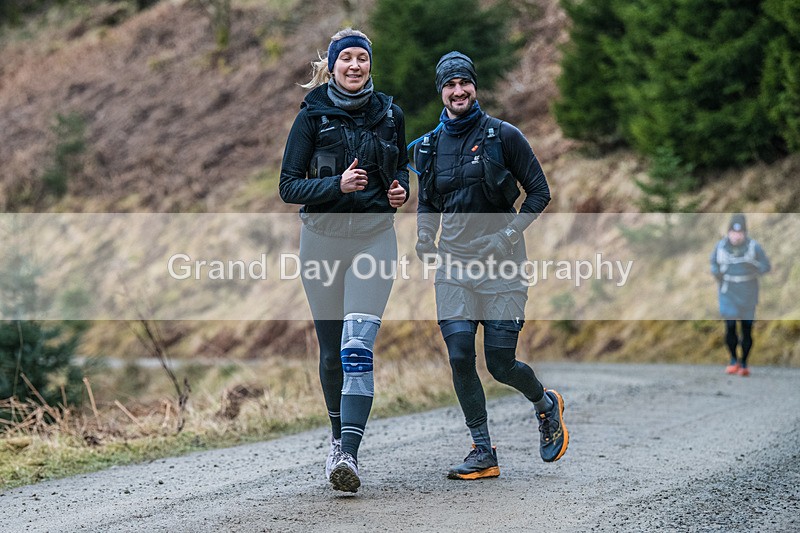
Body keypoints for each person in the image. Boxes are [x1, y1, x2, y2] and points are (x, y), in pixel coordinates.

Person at [413, 51, 567, 480]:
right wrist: (425, 236)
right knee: (461, 355)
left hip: (503, 269)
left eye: (464, 83)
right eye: (449, 85)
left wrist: (505, 236)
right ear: (440, 91)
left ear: (474, 87)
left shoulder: (504, 136)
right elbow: (428, 201)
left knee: (501, 365)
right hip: (454, 267)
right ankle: (483, 450)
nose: (458, 91)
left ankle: (545, 405)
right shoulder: (428, 146)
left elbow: (539, 193)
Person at [279, 28, 409, 493]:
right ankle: (337, 439)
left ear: (370, 64)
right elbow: (289, 187)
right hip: (322, 243)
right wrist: (336, 187)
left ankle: (349, 457)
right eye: (346, 59)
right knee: (333, 352)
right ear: (331, 66)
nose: (355, 66)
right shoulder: (311, 118)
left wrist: (400, 190)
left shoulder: (391, 114)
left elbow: (400, 172)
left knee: (358, 346)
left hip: (374, 240)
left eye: (361, 58)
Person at [710, 214, 771, 377]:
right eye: (734, 232)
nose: (737, 235)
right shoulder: (720, 247)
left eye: (740, 232)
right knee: (730, 326)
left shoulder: (754, 247)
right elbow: (713, 265)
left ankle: (744, 362)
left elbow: (766, 266)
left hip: (748, 293)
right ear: (729, 232)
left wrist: (754, 266)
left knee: (747, 329)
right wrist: (717, 273)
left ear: (745, 233)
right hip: (728, 292)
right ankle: (732, 359)